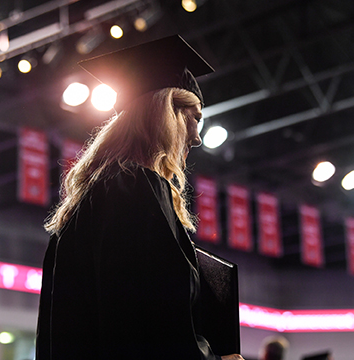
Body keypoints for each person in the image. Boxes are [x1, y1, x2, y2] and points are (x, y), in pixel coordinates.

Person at [36, 35, 244, 360]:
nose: (198, 136)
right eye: (196, 117)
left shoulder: (86, 203)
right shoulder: (137, 188)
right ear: (168, 112)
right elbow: (155, 320)